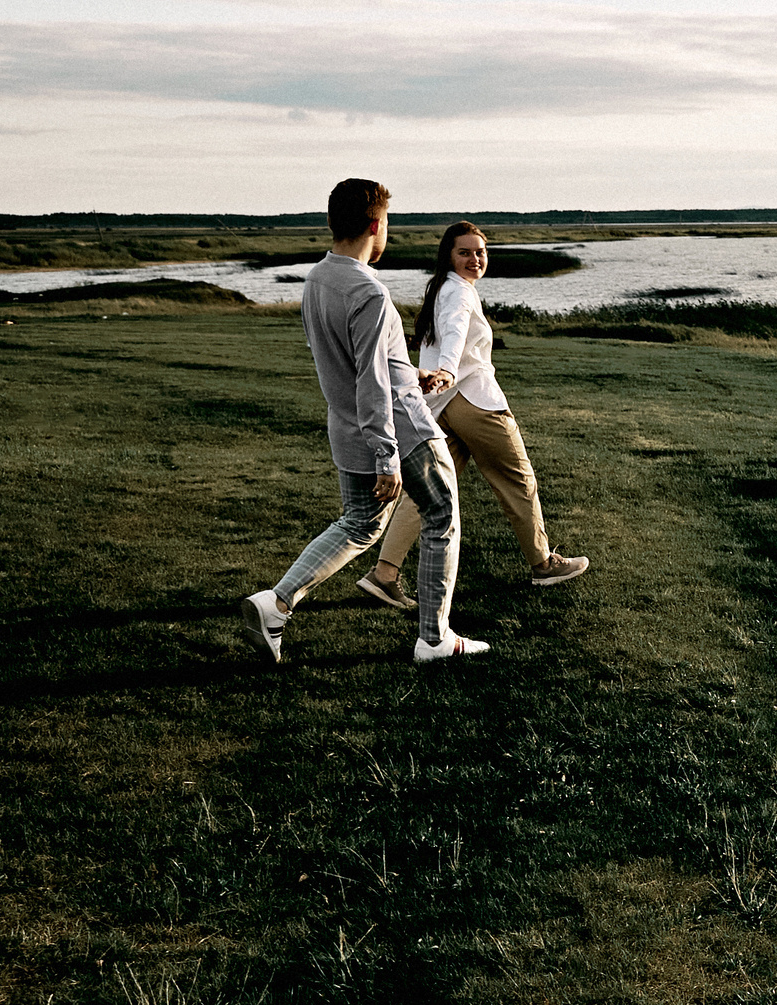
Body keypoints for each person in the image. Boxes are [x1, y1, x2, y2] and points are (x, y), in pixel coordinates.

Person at [241, 177, 488, 663]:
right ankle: (435, 639)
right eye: (388, 224)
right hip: (399, 429)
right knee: (441, 515)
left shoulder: (317, 279)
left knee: (359, 524)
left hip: (347, 425)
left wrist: (410, 373)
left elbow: (354, 361)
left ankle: (275, 604)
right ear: (376, 225)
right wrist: (386, 456)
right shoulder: (369, 293)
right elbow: (372, 381)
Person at [358, 222, 588, 607]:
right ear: (449, 255)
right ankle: (544, 564)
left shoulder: (442, 290)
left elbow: (446, 333)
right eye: (465, 252)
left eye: (480, 252)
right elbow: (456, 331)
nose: (475, 259)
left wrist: (444, 375)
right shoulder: (458, 293)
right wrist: (448, 370)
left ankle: (383, 574)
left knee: (427, 491)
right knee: (518, 480)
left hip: (440, 406)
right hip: (472, 400)